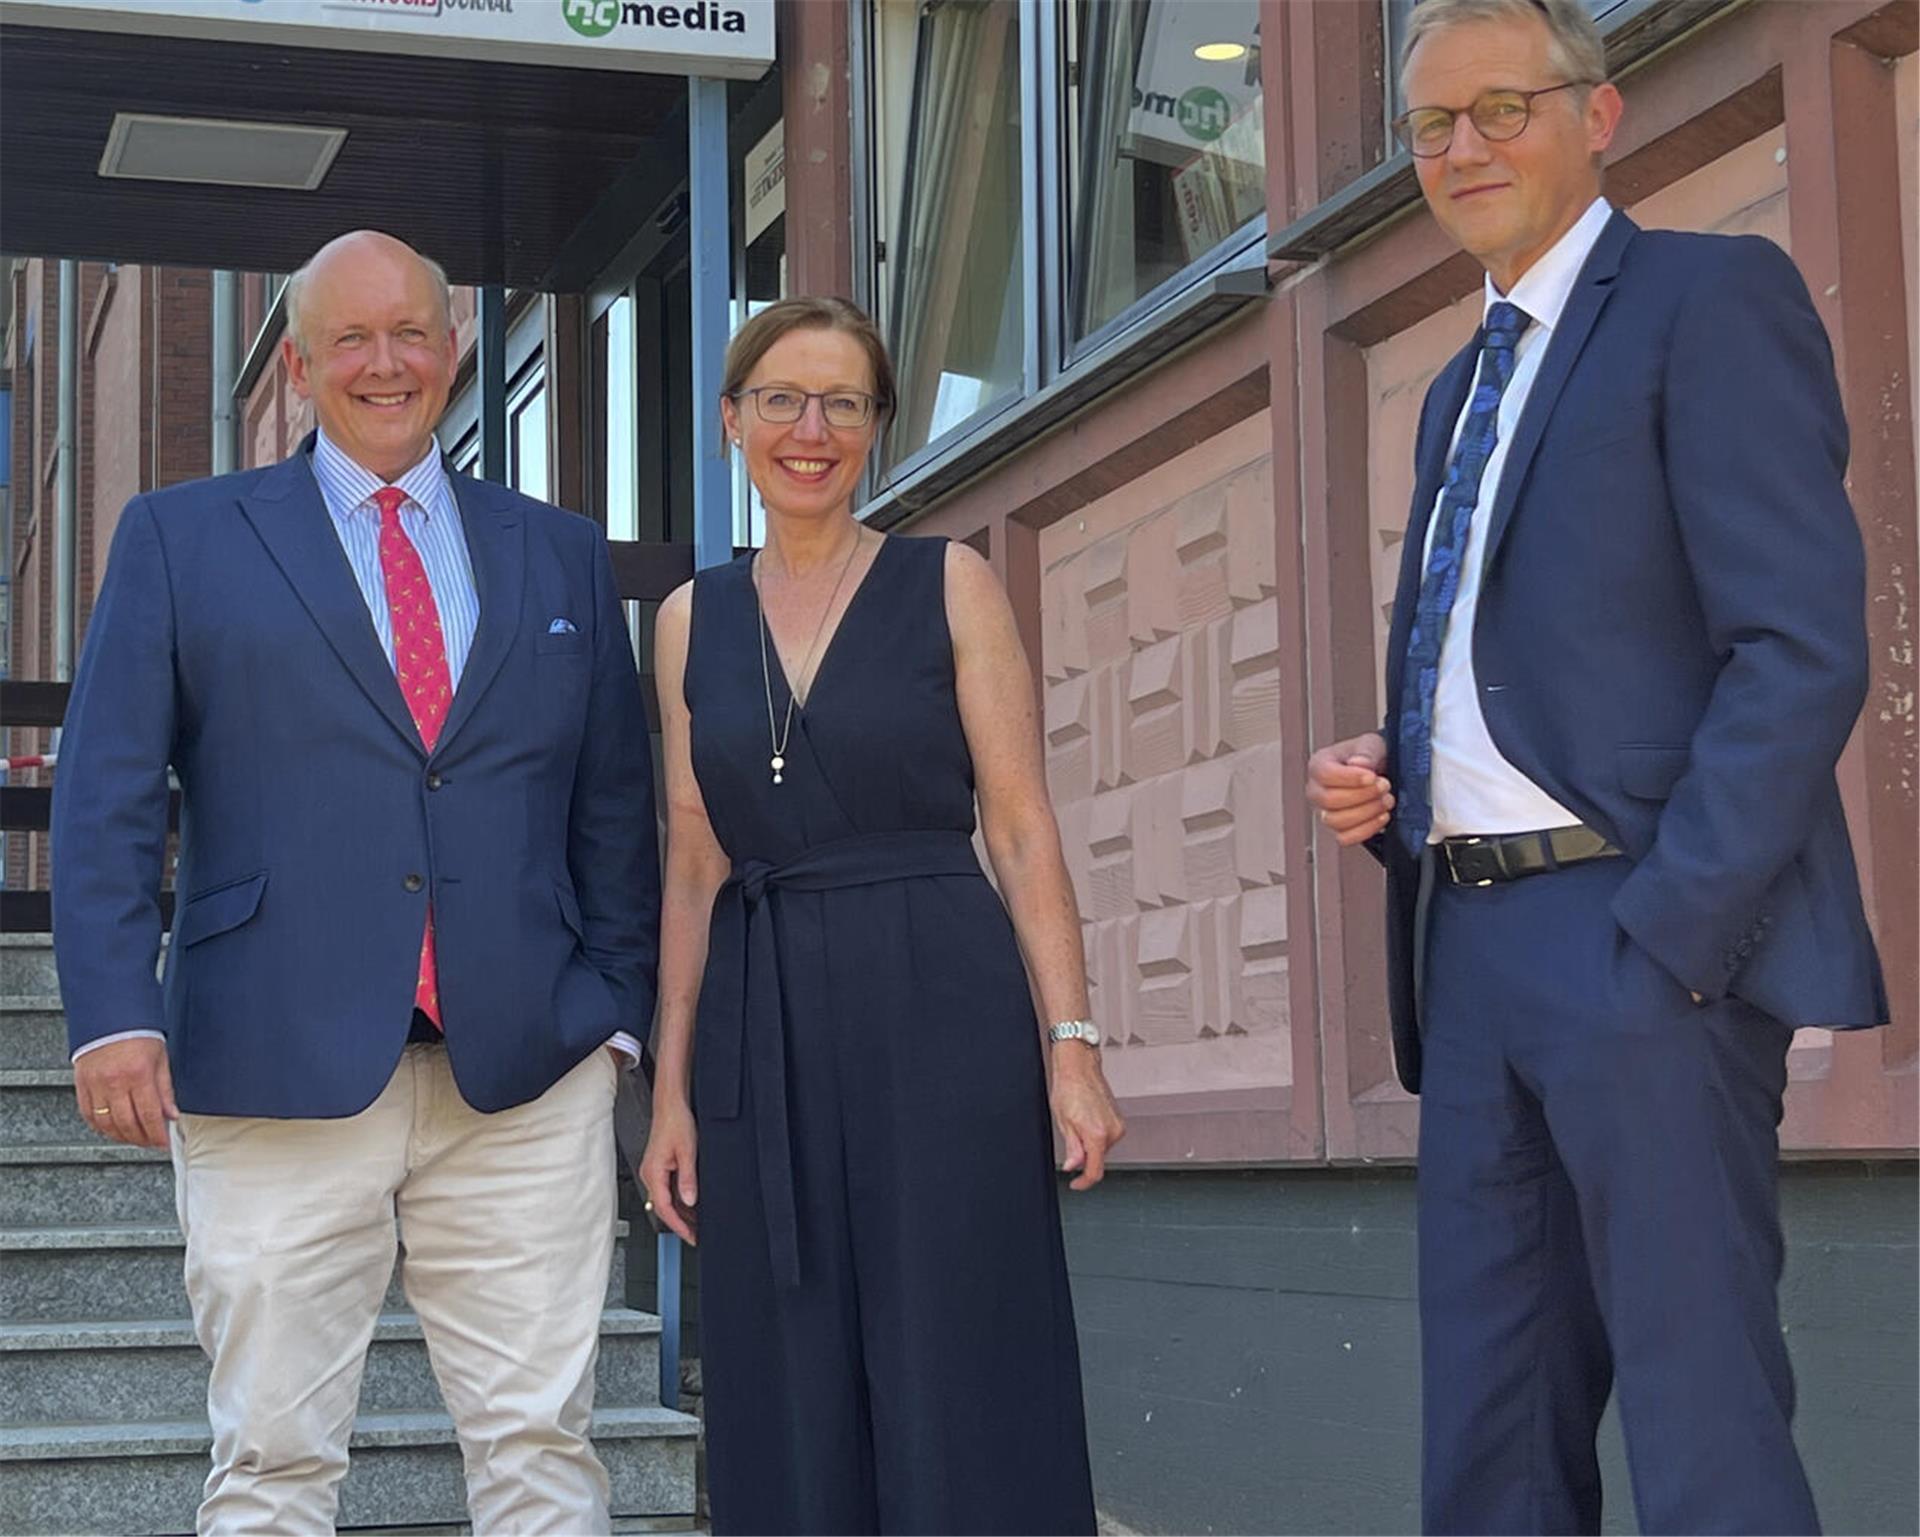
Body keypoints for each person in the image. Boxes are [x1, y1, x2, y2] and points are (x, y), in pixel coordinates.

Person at [1304, 1, 1887, 1531]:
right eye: (1433, 125)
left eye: (1504, 108)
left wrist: (1679, 932)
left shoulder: (1709, 299)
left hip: (1639, 943)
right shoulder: (1454, 388)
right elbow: (1519, 656)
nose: (1464, 148)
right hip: (1474, 951)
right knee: (1491, 1427)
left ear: (1599, 114)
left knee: (1704, 1423)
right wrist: (1405, 776)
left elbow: (1800, 644)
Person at [52, 230, 659, 1535]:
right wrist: (112, 1011)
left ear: (451, 348)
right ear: (300, 360)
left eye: (412, 334)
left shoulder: (554, 551)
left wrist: (614, 1008)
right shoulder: (181, 536)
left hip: (525, 1070)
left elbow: (612, 802)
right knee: (273, 1457)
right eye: (352, 339)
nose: (386, 363)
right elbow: (104, 794)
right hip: (271, 1059)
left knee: (544, 1444)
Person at [638, 296, 1124, 1535]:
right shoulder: (690, 619)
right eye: (784, 401)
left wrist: (1072, 1048)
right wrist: (672, 1094)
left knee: (958, 1340)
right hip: (763, 1019)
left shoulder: (948, 582)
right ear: (732, 422)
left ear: (877, 428)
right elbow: (693, 861)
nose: (813, 429)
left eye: (844, 403)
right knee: (785, 1358)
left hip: (938, 998)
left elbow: (1019, 829)